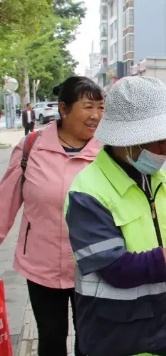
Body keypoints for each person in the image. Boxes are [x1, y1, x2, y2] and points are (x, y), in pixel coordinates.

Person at [64, 76, 166, 356]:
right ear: (126, 139)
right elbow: (117, 269)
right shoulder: (87, 193)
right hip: (119, 338)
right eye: (156, 140)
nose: (165, 149)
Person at [0, 76, 104, 356]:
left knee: (91, 341)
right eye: (88, 107)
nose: (96, 115)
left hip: (93, 266)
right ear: (63, 109)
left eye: (100, 107)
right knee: (50, 339)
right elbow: (4, 203)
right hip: (40, 266)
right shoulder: (31, 146)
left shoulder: (107, 152)